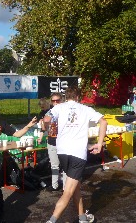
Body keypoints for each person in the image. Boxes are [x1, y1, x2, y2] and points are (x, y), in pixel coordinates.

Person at [44, 86, 107, 223]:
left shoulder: (59, 107)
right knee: (67, 191)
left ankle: (82, 217)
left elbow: (47, 120)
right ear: (79, 97)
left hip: (62, 152)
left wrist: (47, 129)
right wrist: (99, 143)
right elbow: (104, 122)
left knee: (75, 185)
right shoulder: (85, 109)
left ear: (66, 97)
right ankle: (52, 220)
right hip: (77, 154)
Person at [37, 93, 65, 192]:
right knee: (54, 165)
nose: (55, 102)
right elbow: (44, 128)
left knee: (65, 165)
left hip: (63, 142)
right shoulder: (49, 112)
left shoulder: (65, 111)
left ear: (62, 100)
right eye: (53, 101)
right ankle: (54, 185)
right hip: (52, 141)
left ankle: (66, 187)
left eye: (58, 100)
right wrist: (43, 123)